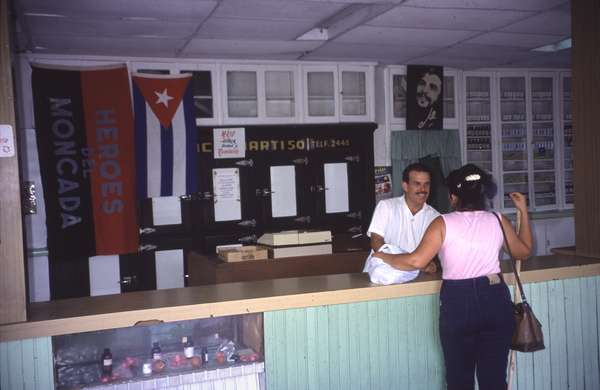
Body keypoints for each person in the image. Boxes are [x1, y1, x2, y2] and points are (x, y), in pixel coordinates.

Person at [374, 164, 532, 390]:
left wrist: (383, 256)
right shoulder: (498, 220)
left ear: (453, 196)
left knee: (459, 380)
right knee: (494, 380)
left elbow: (416, 261)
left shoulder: (443, 222)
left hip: (459, 303)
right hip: (495, 299)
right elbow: (523, 251)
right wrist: (523, 211)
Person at [365, 163, 440, 273]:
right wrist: (403, 262)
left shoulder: (436, 217)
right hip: (383, 273)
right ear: (405, 186)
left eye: (426, 184)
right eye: (417, 184)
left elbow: (438, 254)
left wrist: (432, 265)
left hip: (416, 276)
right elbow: (376, 242)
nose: (423, 189)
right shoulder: (386, 206)